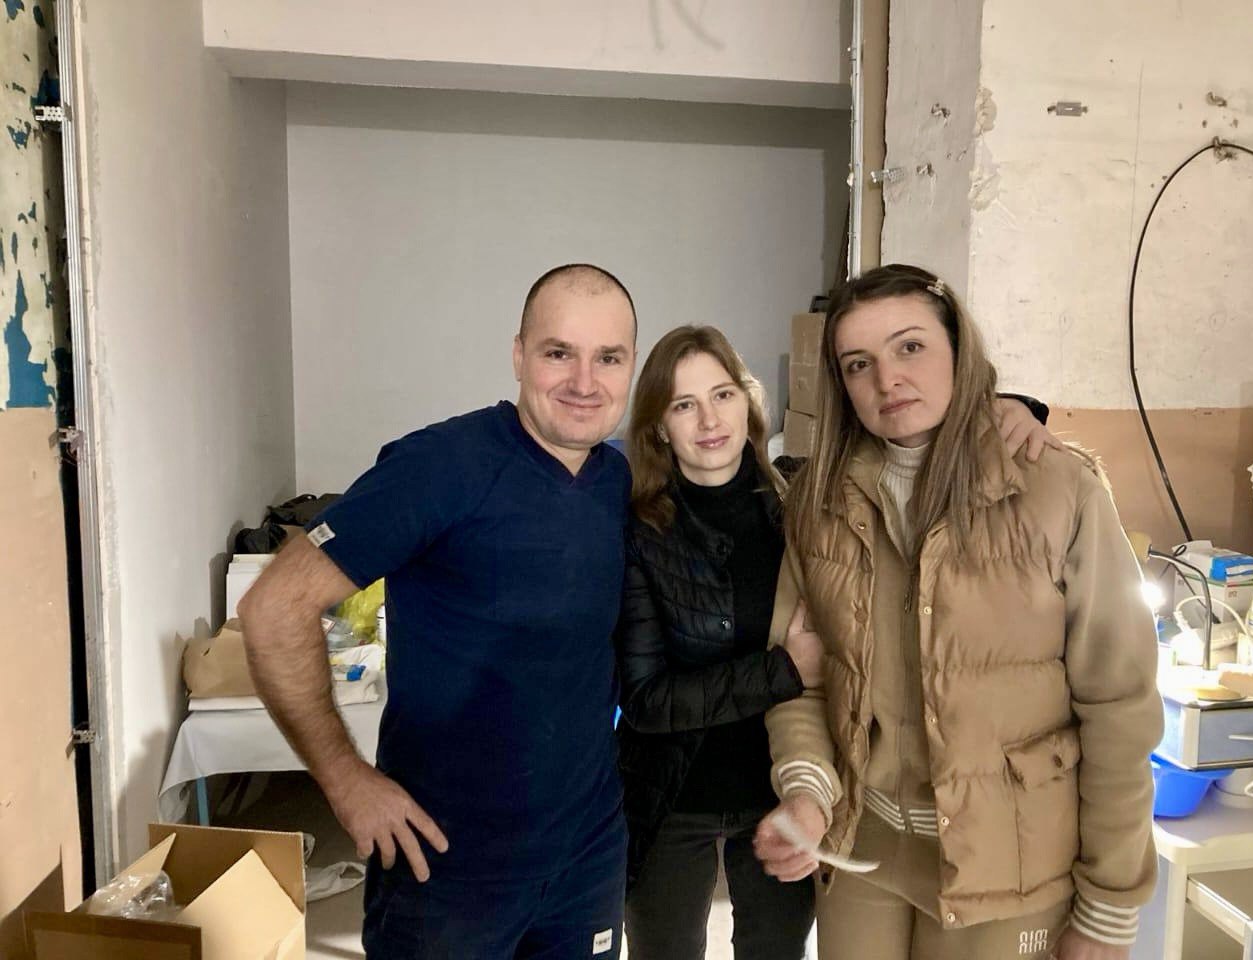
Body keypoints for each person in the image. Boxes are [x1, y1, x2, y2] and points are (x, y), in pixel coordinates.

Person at [753, 264, 1162, 960]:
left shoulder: (1059, 489)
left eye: (910, 347)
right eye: (859, 364)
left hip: (1012, 865)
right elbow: (802, 682)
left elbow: (1119, 705)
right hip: (863, 853)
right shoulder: (818, 504)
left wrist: (1108, 906)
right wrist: (807, 791)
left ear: (958, 351)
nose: (887, 380)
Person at [616, 324, 1060, 960]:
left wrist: (1011, 409)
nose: (709, 420)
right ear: (660, 428)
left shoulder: (806, 502)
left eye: (723, 395)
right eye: (684, 405)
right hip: (672, 798)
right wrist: (784, 670)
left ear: (748, 401)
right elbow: (646, 701)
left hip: (785, 788)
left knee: (777, 950)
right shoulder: (640, 532)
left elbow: (907, 439)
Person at [239, 263, 638, 959]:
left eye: (609, 357)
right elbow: (274, 607)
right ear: (518, 355)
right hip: (445, 862)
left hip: (587, 857)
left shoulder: (621, 479)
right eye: (558, 353)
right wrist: (346, 780)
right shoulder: (440, 466)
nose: (584, 381)